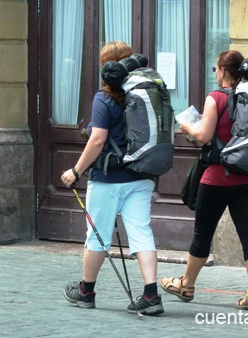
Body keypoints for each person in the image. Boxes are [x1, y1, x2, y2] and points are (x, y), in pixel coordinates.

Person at [61, 41, 164, 316]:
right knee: (141, 232)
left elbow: (97, 140)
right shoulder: (146, 95)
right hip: (142, 175)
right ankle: (151, 295)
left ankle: (86, 291)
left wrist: (75, 171)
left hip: (108, 178)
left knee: (97, 236)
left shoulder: (104, 98)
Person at [160, 50, 248, 311]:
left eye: (215, 69)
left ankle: (187, 284)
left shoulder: (215, 97)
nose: (215, 74)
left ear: (223, 71)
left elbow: (204, 136)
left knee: (202, 234)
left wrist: (187, 128)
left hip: (218, 177)